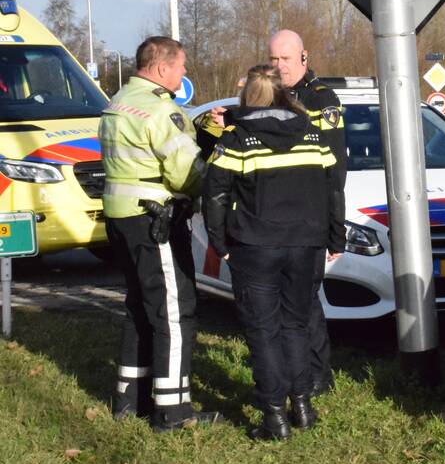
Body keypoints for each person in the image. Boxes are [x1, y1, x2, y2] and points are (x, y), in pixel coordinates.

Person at [203, 65, 346, 440]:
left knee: (263, 331)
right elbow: (333, 189)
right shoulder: (313, 135)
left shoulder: (237, 139)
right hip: (306, 244)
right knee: (296, 325)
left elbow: (214, 193)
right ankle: (302, 406)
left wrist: (219, 243)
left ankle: (273, 417)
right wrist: (335, 238)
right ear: (286, 94)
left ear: (248, 97)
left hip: (255, 246)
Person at [99, 36, 220, 432]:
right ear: (163, 67)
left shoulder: (118, 102)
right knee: (173, 312)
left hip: (121, 218)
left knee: (139, 307)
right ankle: (172, 410)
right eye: (182, 65)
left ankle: (128, 401)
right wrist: (220, 189)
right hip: (156, 221)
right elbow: (186, 173)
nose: (184, 72)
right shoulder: (160, 110)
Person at [268, 29, 346, 396]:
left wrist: (335, 227)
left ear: (304, 56)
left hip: (310, 216)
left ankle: (318, 375)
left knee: (305, 301)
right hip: (279, 216)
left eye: (285, 58)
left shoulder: (321, 100)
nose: (279, 66)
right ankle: (293, 370)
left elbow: (335, 170)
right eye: (273, 59)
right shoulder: (270, 94)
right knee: (285, 302)